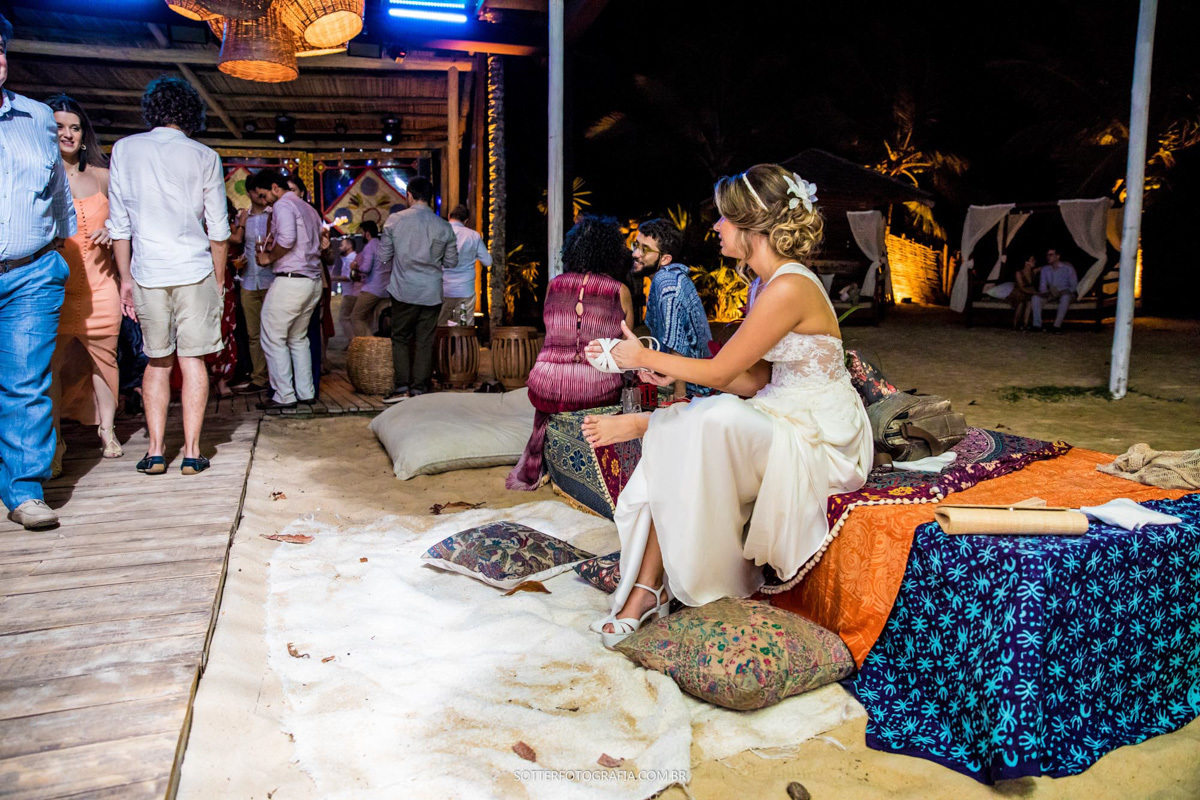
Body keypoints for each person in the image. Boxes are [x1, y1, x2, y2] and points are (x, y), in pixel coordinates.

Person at [581, 164, 872, 646]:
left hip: (823, 435)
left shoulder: (789, 287)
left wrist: (641, 355)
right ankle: (646, 589)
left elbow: (719, 373)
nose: (715, 228)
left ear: (754, 225)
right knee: (701, 426)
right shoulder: (763, 283)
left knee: (708, 420)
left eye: (723, 219)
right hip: (780, 407)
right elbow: (755, 376)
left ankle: (651, 426)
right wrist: (669, 371)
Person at [107, 76, 229, 476]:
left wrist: (125, 279)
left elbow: (119, 225)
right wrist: (220, 280)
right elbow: (219, 230)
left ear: (151, 110)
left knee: (157, 360)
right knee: (193, 359)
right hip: (195, 271)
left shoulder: (125, 150)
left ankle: (156, 451)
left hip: (147, 271)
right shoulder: (204, 155)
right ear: (191, 114)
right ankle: (193, 454)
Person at [0, 14, 77, 529]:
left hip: (31, 272)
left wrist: (53, 255)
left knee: (26, 382)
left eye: (0, 48)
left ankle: (24, 491)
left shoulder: (35, 118)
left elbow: (59, 200)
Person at [506, 215, 634, 491]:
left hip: (548, 385)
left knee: (552, 390)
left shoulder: (554, 285)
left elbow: (550, 329)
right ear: (613, 252)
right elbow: (626, 345)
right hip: (596, 390)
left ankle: (541, 464)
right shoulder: (619, 291)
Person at [46, 94, 122, 474]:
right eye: (60, 126)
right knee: (52, 367)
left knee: (104, 360)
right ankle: (55, 442)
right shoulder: (41, 174)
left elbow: (128, 224)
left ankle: (107, 430)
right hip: (54, 286)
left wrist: (113, 229)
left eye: (75, 127)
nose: (68, 134)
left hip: (102, 282)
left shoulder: (103, 176)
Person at [248, 168, 322, 411]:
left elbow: (288, 239)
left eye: (263, 195)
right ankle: (305, 392)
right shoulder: (307, 207)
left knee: (272, 335)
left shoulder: (283, 205)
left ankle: (283, 395)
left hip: (291, 279)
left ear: (275, 188)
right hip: (312, 281)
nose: (263, 200)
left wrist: (269, 257)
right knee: (297, 338)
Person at [378, 176, 457, 402]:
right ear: (430, 198)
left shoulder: (395, 220)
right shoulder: (444, 226)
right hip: (431, 291)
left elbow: (383, 256)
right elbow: (451, 262)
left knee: (401, 337)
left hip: (403, 289)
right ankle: (420, 389)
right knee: (424, 340)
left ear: (409, 195)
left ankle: (402, 388)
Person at [631, 217, 713, 397]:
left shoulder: (666, 283)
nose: (636, 254)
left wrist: (679, 400)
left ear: (665, 258)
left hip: (695, 391)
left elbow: (677, 343)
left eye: (644, 249)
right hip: (691, 383)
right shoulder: (669, 277)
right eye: (635, 245)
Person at [229, 193, 272, 394]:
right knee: (253, 334)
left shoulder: (273, 215)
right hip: (247, 281)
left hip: (271, 280)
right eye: (260, 192)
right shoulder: (242, 219)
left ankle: (277, 378)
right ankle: (258, 377)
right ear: (251, 193)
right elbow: (238, 243)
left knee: (274, 333)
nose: (265, 196)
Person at [440, 204, 491, 326]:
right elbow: (488, 261)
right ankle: (462, 344)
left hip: (443, 289)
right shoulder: (473, 236)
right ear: (466, 221)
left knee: (440, 325)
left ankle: (441, 345)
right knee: (464, 327)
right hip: (465, 291)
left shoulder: (440, 233)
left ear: (449, 216)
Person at [348, 219, 387, 337]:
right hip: (385, 288)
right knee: (370, 319)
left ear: (367, 233)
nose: (361, 235)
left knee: (355, 317)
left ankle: (367, 347)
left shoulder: (370, 247)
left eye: (362, 233)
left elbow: (366, 268)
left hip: (373, 288)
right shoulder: (382, 245)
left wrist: (355, 266)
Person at [1031, 248, 1077, 333]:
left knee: (1065, 298)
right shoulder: (1045, 269)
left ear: (1057, 256)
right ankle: (1037, 325)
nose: (1048, 257)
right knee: (1035, 298)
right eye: (1047, 255)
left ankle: (1056, 326)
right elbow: (1043, 286)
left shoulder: (1068, 268)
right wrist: (1045, 293)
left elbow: (1074, 286)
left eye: (1051, 255)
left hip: (1065, 293)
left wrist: (1063, 291)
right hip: (1051, 294)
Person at [333, 235, 359, 339]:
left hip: (351, 293)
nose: (339, 247)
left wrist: (333, 278)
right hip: (351, 292)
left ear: (349, 246)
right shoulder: (349, 258)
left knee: (344, 318)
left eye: (342, 245)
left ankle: (353, 342)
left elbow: (349, 277)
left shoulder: (351, 259)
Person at [1008, 254, 1040, 330]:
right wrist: (1034, 293)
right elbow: (1021, 288)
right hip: (1019, 292)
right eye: (1032, 260)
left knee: (1029, 302)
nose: (1034, 261)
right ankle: (1015, 324)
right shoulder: (1019, 273)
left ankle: (1025, 324)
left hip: (1029, 293)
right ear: (1026, 262)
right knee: (1021, 303)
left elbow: (1044, 268)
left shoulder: (1033, 271)